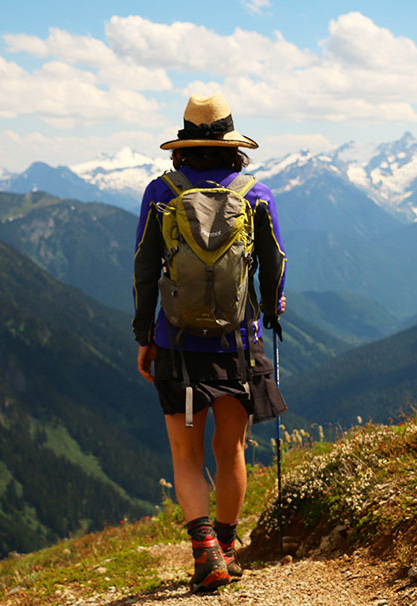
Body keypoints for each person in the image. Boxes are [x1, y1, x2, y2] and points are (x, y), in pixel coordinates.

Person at [132, 93, 287, 592]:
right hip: (238, 345)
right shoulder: (256, 193)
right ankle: (228, 545)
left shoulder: (160, 192)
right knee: (231, 449)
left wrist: (144, 334)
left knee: (185, 454)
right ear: (233, 143)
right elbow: (275, 263)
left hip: (176, 342)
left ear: (184, 142)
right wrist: (270, 307)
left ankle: (205, 555)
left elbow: (144, 270)